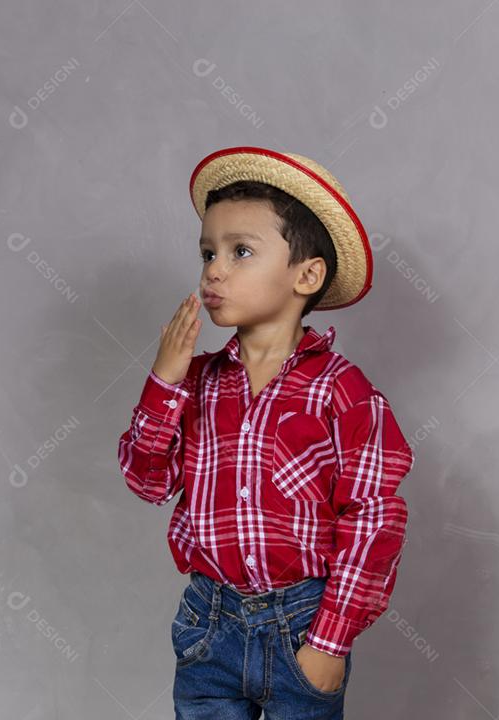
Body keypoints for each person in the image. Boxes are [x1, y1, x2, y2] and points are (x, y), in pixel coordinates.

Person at [117, 146, 415, 718]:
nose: (214, 270)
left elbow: (374, 517)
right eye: (208, 252)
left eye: (241, 252)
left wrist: (330, 640)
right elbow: (148, 481)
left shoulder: (343, 391)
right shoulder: (194, 383)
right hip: (210, 621)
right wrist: (164, 381)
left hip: (302, 623)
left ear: (307, 275)